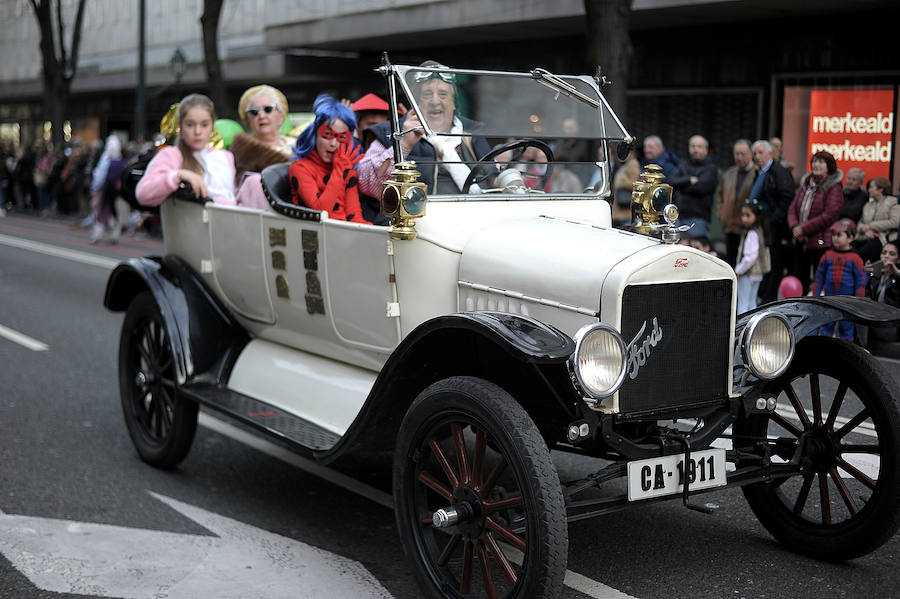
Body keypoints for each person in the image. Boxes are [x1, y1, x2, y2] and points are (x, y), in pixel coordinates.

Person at [358, 61, 493, 197]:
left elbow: (493, 179)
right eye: (427, 94)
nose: (435, 101)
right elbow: (368, 185)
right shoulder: (391, 131)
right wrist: (404, 144)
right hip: (416, 217)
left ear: (454, 103)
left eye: (443, 94)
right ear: (416, 103)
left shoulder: (472, 133)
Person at [136, 94, 236, 207]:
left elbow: (232, 196)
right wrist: (177, 176)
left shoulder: (226, 156)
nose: (197, 131)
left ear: (212, 125)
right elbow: (143, 194)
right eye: (190, 125)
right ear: (181, 126)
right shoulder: (171, 155)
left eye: (204, 124)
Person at [289, 94, 369, 223]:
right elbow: (321, 212)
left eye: (341, 137)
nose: (333, 143)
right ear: (315, 134)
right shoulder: (300, 168)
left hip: (343, 234)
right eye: (327, 134)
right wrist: (339, 171)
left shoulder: (347, 170)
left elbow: (354, 216)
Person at [231, 85, 297, 209]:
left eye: (268, 109)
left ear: (281, 116)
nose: (261, 116)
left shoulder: (297, 144)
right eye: (254, 112)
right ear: (247, 120)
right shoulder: (244, 151)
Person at [787, 150, 843, 294]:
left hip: (820, 242)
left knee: (819, 282)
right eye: (815, 161)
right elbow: (792, 208)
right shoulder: (806, 183)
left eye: (821, 162)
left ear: (829, 166)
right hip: (801, 240)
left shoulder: (834, 187)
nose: (816, 164)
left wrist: (803, 229)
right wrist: (795, 227)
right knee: (799, 278)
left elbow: (829, 215)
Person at [750, 139, 796, 303]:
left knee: (773, 266)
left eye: (760, 152)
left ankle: (768, 301)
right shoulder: (760, 172)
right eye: (754, 153)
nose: (757, 156)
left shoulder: (779, 172)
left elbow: (786, 199)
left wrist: (773, 218)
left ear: (770, 154)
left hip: (776, 228)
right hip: (763, 226)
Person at [814, 218, 867, 342]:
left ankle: (847, 354)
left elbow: (861, 281)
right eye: (833, 235)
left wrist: (858, 300)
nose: (835, 238)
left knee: (846, 328)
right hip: (829, 299)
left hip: (848, 301)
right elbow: (819, 277)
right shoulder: (827, 255)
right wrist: (816, 296)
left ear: (850, 238)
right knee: (827, 325)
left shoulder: (855, 258)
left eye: (839, 235)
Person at [667, 134, 718, 238]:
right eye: (693, 146)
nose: (695, 150)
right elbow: (671, 181)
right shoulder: (683, 165)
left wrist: (681, 186)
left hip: (698, 219)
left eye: (699, 147)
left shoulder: (711, 168)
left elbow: (701, 187)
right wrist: (689, 179)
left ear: (706, 149)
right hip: (678, 216)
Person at [716, 139, 756, 267]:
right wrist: (722, 214)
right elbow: (720, 197)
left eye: (743, 154)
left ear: (751, 154)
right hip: (729, 226)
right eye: (736, 154)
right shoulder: (729, 173)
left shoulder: (756, 173)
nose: (739, 157)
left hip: (747, 227)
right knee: (730, 262)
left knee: (745, 263)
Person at [861, 242, 900, 347]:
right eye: (884, 253)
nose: (886, 256)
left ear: (898, 260)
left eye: (891, 254)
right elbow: (863, 297)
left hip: (890, 324)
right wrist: (865, 275)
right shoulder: (874, 276)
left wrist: (897, 274)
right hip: (873, 320)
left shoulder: (898, 279)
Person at [734, 200, 770, 313]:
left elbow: (750, 257)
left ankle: (742, 328)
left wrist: (738, 270)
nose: (744, 218)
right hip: (757, 274)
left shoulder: (752, 234)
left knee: (743, 303)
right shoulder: (760, 231)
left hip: (747, 273)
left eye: (748, 215)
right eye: (743, 215)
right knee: (752, 302)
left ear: (756, 216)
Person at [853, 177, 899, 263]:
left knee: (861, 255)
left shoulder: (893, 202)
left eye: (871, 187)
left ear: (881, 189)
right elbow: (861, 222)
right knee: (849, 249)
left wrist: (871, 226)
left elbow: (895, 222)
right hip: (865, 236)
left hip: (883, 238)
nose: (869, 190)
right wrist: (864, 229)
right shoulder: (868, 205)